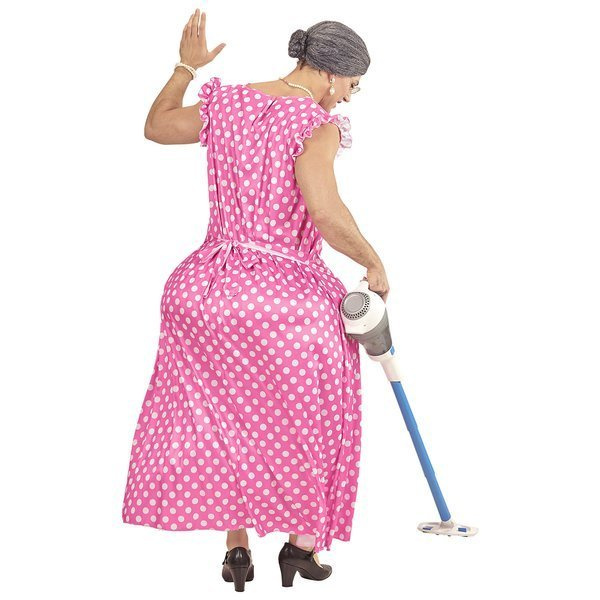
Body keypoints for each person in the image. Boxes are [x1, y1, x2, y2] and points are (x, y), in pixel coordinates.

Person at [121, 10, 390, 591]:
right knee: (313, 410)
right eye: (352, 83)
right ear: (330, 73)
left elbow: (157, 127)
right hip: (283, 299)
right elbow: (324, 211)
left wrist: (185, 67)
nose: (350, 96)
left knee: (222, 418)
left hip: (203, 290)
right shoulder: (315, 123)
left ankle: (237, 550)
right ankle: (301, 545)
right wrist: (372, 260)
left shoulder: (228, 103)